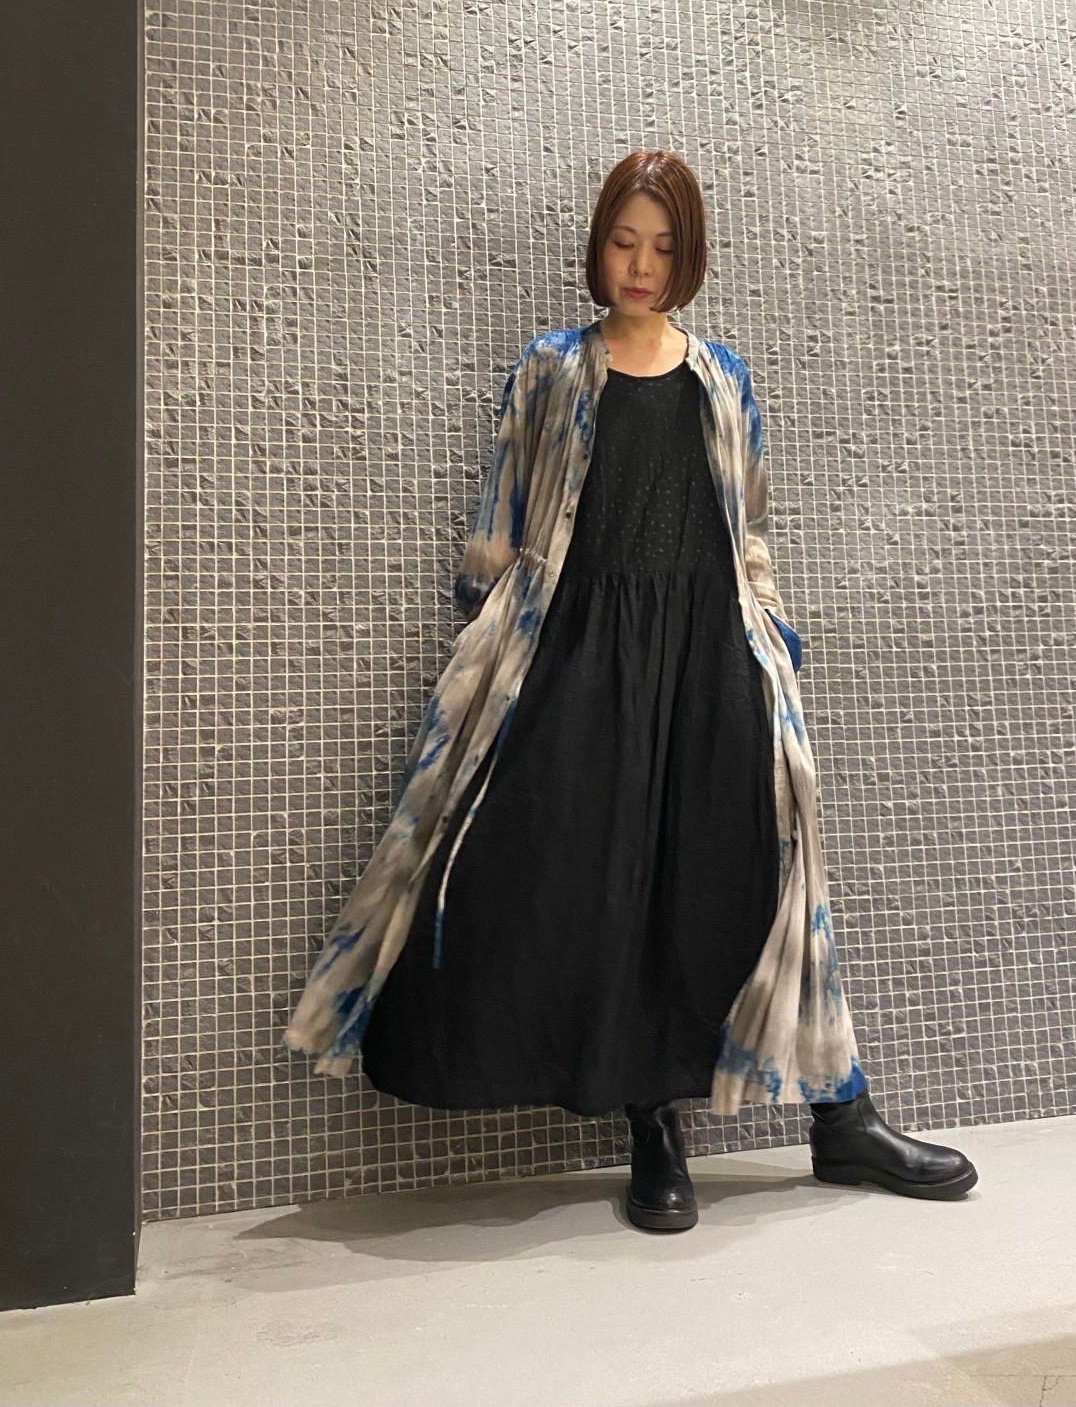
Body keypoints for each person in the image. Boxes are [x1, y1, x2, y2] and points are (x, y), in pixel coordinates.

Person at [286, 150, 978, 1231]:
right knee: (601, 889)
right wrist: (487, 654)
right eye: (623, 241)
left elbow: (749, 529)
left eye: (661, 246)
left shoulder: (724, 378)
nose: (640, 265)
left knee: (758, 878)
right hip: (579, 663)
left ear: (687, 256)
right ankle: (653, 1129)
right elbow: (500, 527)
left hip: (711, 661)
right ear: (598, 245)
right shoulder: (552, 368)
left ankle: (841, 1114)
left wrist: (771, 640)